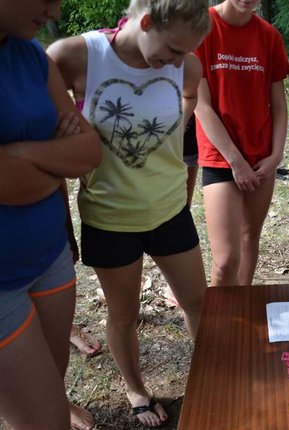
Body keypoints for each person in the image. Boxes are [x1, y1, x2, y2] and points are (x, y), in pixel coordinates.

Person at [47, 0, 210, 426]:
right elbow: (39, 107)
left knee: (198, 303)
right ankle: (136, 388)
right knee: (124, 314)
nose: (176, 62)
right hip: (110, 217)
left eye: (185, 53)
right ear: (145, 22)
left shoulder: (186, 67)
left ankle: (212, 375)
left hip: (171, 208)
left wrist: (180, 117)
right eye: (172, 49)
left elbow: (190, 91)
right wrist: (67, 122)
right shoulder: (76, 55)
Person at [0, 1, 102, 428]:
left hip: (49, 258)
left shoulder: (30, 54)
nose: (55, 9)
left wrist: (21, 154)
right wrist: (57, 159)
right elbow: (8, 182)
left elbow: (90, 152)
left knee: (51, 382)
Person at [194, 0, 289, 287]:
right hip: (221, 156)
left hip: (261, 158)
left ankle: (242, 311)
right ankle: (220, 325)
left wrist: (276, 155)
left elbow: (279, 105)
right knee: (225, 261)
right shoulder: (203, 28)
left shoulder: (268, 35)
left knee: (250, 238)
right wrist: (235, 161)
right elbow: (201, 105)